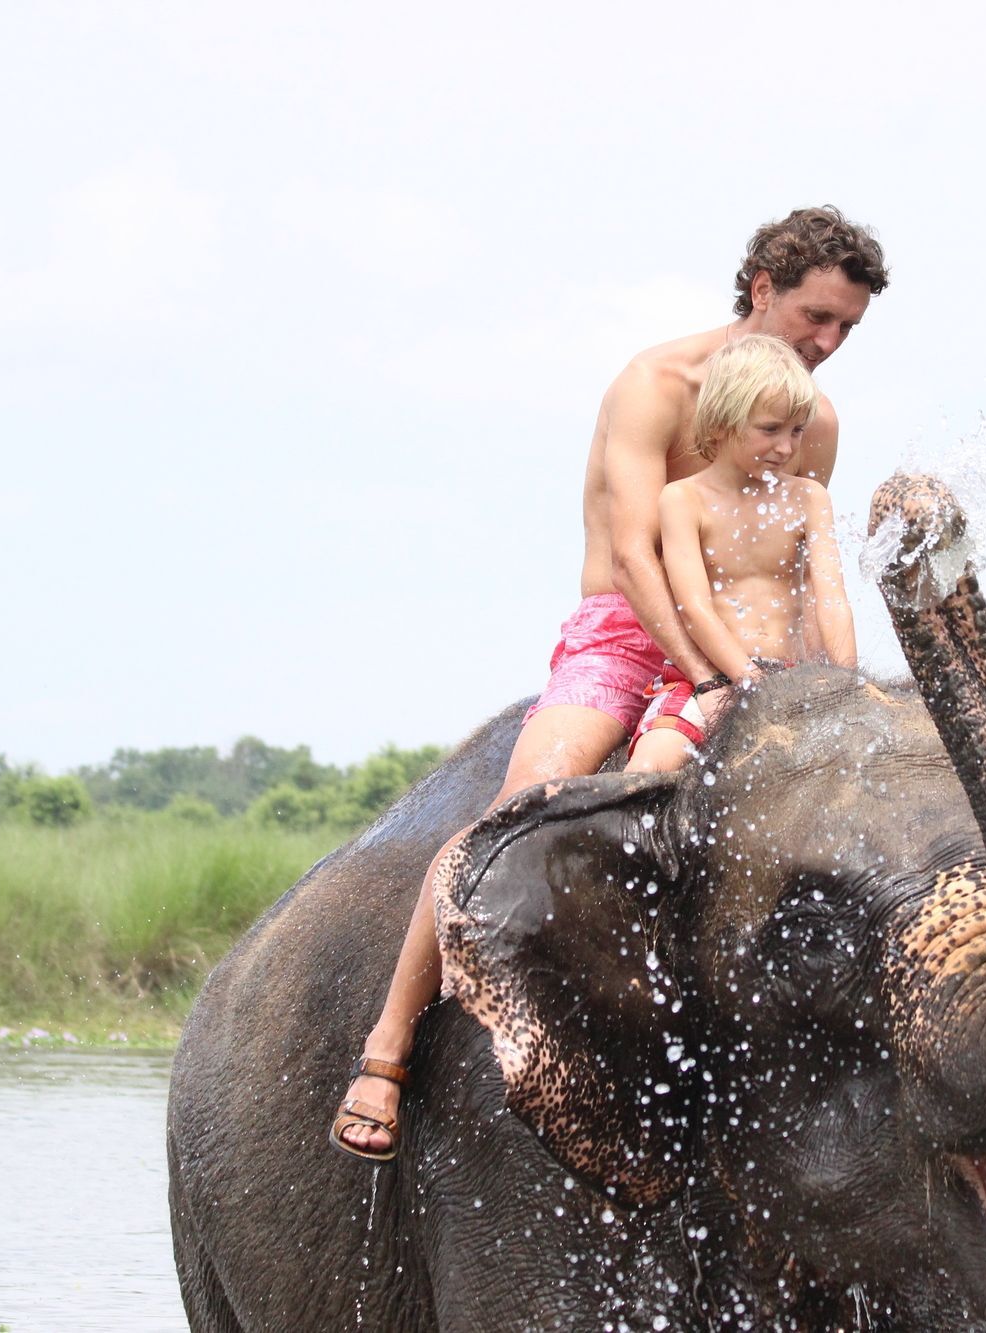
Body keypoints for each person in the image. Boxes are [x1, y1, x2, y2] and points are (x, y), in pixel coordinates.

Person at [330, 207, 888, 1160]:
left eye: (846, 329)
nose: (828, 343)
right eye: (816, 316)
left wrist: (804, 691)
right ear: (762, 288)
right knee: (517, 804)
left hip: (747, 650)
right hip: (631, 636)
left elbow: (797, 572)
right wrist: (706, 674)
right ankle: (387, 1047)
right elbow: (635, 557)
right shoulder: (654, 384)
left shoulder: (811, 423)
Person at [625, 335, 856, 773]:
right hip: (713, 678)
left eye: (797, 431)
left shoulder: (808, 498)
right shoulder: (684, 499)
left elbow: (831, 598)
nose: (786, 448)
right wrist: (747, 680)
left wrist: (848, 681)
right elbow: (693, 606)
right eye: (770, 430)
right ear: (720, 423)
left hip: (791, 675)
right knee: (649, 767)